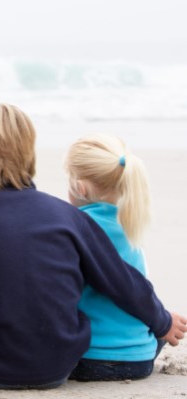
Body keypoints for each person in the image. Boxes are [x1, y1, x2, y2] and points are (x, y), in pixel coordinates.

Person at [0, 103, 187, 389]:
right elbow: (121, 279)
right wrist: (161, 322)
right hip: (59, 366)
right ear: (29, 157)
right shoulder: (65, 215)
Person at [65, 134, 168, 381]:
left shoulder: (74, 227)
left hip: (88, 359)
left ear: (80, 187)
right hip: (141, 359)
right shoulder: (131, 226)